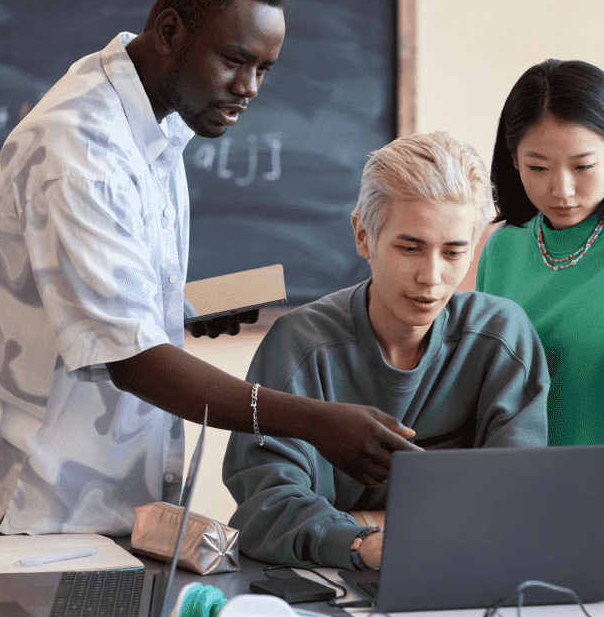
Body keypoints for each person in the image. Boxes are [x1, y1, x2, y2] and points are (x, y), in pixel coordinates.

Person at [0, 0, 417, 535]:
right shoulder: (81, 152)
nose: (248, 87)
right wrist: (316, 422)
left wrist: (183, 309)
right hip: (35, 510)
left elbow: (94, 297)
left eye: (264, 70)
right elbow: (135, 362)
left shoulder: (155, 122)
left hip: (105, 501)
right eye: (234, 60)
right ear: (169, 31)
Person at [223, 131, 551, 569]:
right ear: (363, 236)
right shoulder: (300, 345)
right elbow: (265, 504)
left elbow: (516, 493)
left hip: (465, 568)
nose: (431, 277)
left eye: (454, 252)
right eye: (410, 248)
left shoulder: (502, 337)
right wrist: (362, 545)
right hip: (330, 581)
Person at [474, 59, 604, 516]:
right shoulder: (502, 248)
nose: (561, 189)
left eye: (583, 165)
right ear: (513, 160)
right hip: (519, 499)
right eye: (537, 167)